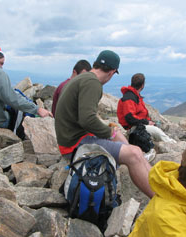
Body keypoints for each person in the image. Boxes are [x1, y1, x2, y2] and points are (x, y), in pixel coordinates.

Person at [55, 50, 154, 198]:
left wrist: (111, 131)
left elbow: (84, 117)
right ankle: (160, 198)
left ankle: (148, 172)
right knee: (133, 154)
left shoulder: (83, 78)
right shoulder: (93, 83)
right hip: (74, 144)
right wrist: (110, 133)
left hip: (71, 137)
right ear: (112, 72)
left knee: (121, 137)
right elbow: (87, 119)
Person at [117, 73, 175, 143]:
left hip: (138, 125)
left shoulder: (135, 96)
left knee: (157, 128)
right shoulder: (129, 98)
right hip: (132, 128)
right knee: (157, 131)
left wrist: (149, 122)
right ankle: (172, 144)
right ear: (142, 85)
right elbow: (130, 118)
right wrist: (147, 122)